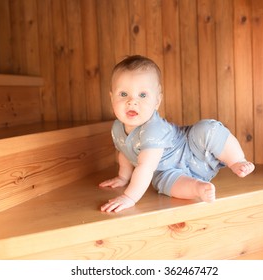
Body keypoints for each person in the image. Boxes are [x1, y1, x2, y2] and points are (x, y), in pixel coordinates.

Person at [99, 55, 255, 213]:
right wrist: (123, 177)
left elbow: (145, 167)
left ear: (157, 101)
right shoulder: (117, 128)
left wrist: (129, 197)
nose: (132, 101)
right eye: (123, 94)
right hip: (165, 170)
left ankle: (237, 161)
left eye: (143, 95)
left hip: (192, 150)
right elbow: (125, 153)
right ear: (112, 98)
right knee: (165, 184)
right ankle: (197, 187)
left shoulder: (153, 129)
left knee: (207, 129)